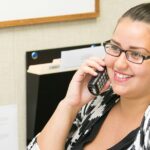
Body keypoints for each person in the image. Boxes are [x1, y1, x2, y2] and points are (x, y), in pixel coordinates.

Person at [27, 3, 150, 150]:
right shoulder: (98, 103)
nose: (119, 64)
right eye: (115, 48)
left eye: (136, 54)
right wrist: (70, 104)